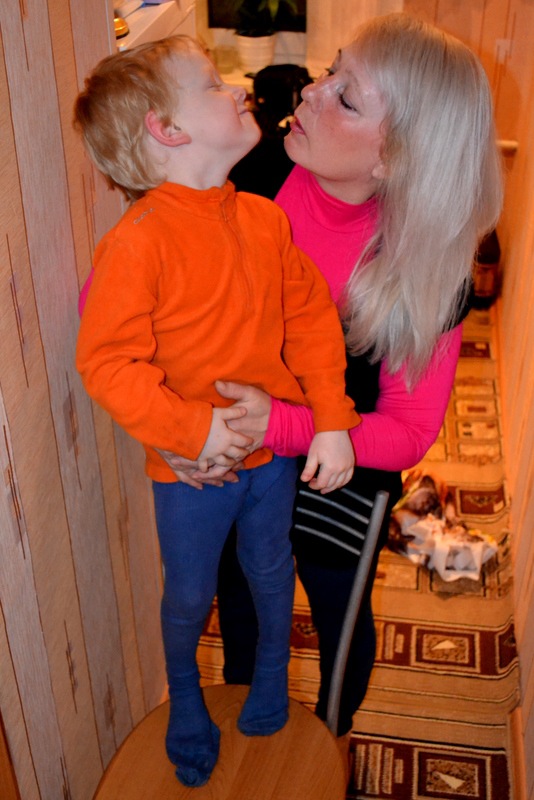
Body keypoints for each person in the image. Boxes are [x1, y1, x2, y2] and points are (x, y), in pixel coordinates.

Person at [166, 12, 504, 767]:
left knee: (337, 617)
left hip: (341, 484)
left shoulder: (426, 269)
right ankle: (253, 747)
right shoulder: (254, 174)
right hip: (240, 465)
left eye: (346, 97)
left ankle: (329, 751)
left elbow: (408, 430)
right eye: (331, 72)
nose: (312, 93)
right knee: (241, 607)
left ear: (395, 159)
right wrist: (184, 426)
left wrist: (280, 425)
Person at [74, 36, 359, 788]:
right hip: (192, 476)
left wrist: (331, 418)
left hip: (271, 462)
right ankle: (187, 705)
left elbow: (312, 321)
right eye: (211, 83)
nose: (236, 88)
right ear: (167, 129)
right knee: (189, 595)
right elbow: (106, 361)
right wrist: (191, 431)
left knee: (271, 571)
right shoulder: (136, 244)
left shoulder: (264, 220)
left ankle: (270, 680)